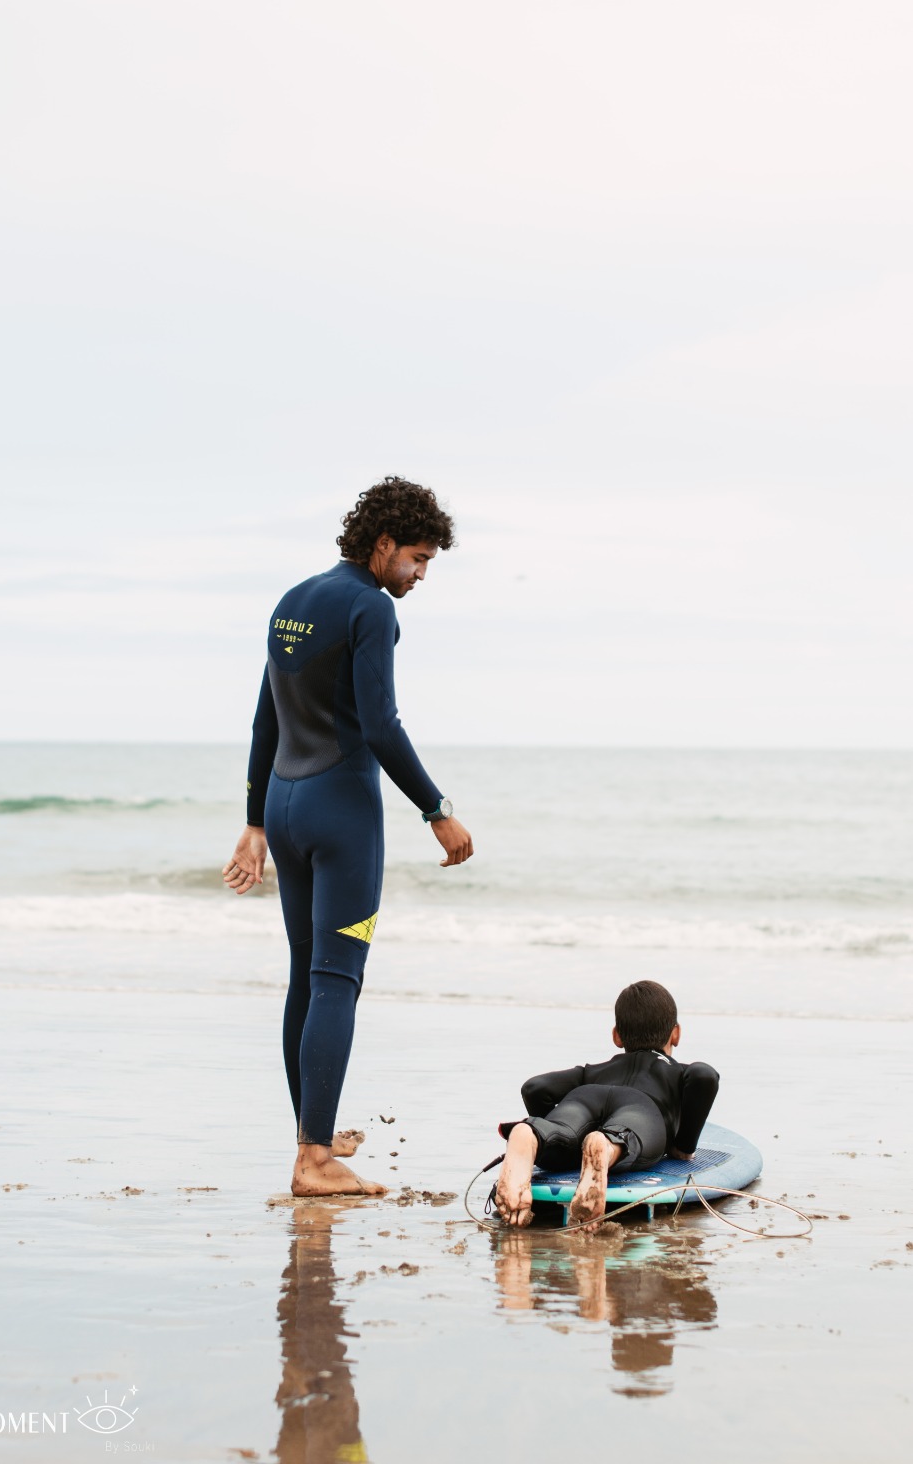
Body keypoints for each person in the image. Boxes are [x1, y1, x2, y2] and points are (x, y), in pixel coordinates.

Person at [223, 477, 474, 1197]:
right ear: (383, 543)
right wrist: (436, 807)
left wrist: (253, 822)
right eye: (418, 559)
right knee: (338, 980)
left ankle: (314, 1134)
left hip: (285, 800)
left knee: (306, 974)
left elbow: (264, 721)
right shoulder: (369, 608)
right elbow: (378, 725)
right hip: (341, 811)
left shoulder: (292, 601)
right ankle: (314, 1162)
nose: (421, 575)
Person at [493, 980, 719, 1230]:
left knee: (560, 1130)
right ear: (675, 1034)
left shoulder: (592, 1072)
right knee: (624, 1135)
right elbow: (705, 1076)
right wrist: (683, 1145)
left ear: (617, 1036)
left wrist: (565, 1143)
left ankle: (534, 1134)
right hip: (642, 1107)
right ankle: (606, 1144)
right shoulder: (675, 1073)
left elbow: (535, 1088)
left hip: (585, 1096)